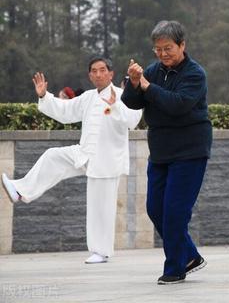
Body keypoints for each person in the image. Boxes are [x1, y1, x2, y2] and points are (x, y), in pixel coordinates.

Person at [1, 57, 142, 264]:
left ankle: (100, 252)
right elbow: (65, 112)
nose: (98, 74)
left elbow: (133, 121)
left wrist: (116, 106)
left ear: (111, 74)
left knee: (100, 206)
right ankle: (21, 190)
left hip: (107, 161)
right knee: (53, 156)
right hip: (84, 152)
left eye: (103, 70)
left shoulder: (124, 95)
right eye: (94, 71)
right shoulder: (87, 97)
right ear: (90, 75)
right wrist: (44, 96)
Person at [121, 20, 211, 285]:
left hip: (190, 150)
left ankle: (175, 268)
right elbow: (131, 102)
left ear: (182, 45)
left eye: (168, 48)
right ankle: (190, 255)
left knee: (174, 211)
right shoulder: (152, 71)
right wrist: (135, 84)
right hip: (160, 151)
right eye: (157, 49)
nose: (162, 54)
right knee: (155, 209)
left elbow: (178, 104)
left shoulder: (195, 74)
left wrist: (147, 87)